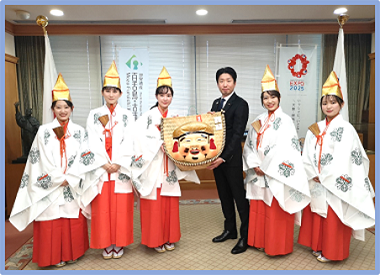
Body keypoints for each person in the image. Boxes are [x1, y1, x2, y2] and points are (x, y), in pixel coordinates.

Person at [9, 73, 89, 268]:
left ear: (72, 108)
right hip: (51, 184)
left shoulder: (79, 132)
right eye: (58, 107)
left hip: (71, 182)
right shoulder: (44, 131)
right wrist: (56, 178)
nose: (62, 111)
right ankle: (53, 256)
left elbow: (85, 158)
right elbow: (38, 159)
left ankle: (73, 252)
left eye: (66, 107)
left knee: (71, 216)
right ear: (53, 109)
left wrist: (70, 177)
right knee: (51, 218)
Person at [297, 71, 375, 262]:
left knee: (333, 216)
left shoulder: (347, 129)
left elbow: (348, 158)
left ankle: (333, 252)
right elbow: (306, 153)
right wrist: (312, 172)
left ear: (341, 104)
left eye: (333, 102)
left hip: (335, 181)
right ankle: (317, 245)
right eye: (325, 102)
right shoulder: (314, 128)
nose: (328, 106)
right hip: (316, 179)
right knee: (317, 212)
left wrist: (326, 175)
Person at [69, 61, 135, 260]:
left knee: (121, 208)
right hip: (101, 168)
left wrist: (118, 163)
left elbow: (129, 140)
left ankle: (119, 242)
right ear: (102, 92)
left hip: (120, 168)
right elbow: (91, 140)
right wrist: (103, 163)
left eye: (115, 90)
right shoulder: (94, 114)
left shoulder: (127, 115)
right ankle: (105, 243)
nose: (111, 94)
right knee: (103, 208)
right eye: (108, 90)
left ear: (121, 94)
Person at [242, 65, 310, 256]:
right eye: (265, 97)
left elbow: (286, 148)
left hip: (275, 173)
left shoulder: (286, 121)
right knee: (260, 208)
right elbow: (249, 144)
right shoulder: (258, 119)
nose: (269, 101)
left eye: (273, 96)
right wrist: (254, 164)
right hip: (258, 172)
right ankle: (260, 241)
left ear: (279, 98)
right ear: (262, 100)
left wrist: (266, 167)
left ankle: (276, 246)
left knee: (275, 209)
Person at [131, 67, 199, 253]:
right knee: (154, 204)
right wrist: (159, 144)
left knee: (169, 203)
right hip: (153, 164)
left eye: (168, 95)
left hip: (169, 165)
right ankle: (155, 239)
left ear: (172, 97)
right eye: (161, 95)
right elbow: (139, 140)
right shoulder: (146, 118)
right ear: (156, 96)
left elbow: (186, 137)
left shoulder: (176, 117)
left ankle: (169, 237)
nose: (165, 98)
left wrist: (174, 146)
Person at [207, 67, 250, 254]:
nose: (225, 84)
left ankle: (245, 236)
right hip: (216, 159)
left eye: (228, 80)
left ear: (234, 82)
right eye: (221, 81)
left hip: (230, 160)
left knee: (239, 198)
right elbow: (213, 132)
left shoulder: (241, 104)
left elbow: (237, 135)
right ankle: (230, 230)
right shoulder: (216, 103)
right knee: (224, 196)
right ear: (217, 83)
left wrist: (224, 158)